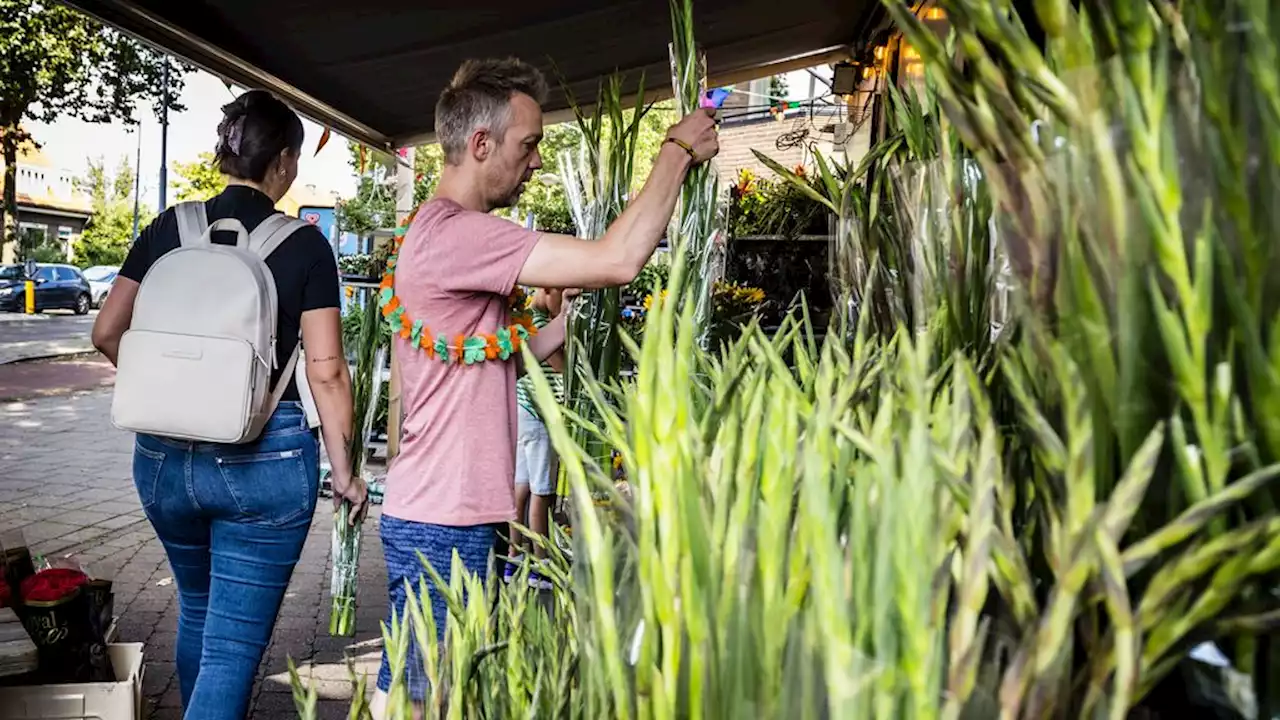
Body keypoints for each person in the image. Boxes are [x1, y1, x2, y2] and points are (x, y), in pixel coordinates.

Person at [376, 56, 717, 704]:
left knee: (425, 693)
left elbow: (508, 348)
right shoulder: (462, 235)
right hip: (443, 520)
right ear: (481, 145)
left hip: (447, 510)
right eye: (528, 145)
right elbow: (617, 258)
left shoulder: (435, 231)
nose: (535, 162)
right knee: (426, 701)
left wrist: (594, 328)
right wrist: (676, 151)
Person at [91, 90, 368, 720]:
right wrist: (345, 475)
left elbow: (107, 332)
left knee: (196, 607)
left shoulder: (169, 228)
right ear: (285, 162)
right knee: (232, 648)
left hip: (162, 463)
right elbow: (326, 371)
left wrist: (170, 394)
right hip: (261, 464)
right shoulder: (304, 245)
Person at [507, 287, 566, 590]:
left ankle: (513, 557)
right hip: (539, 415)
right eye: (563, 296)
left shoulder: (525, 318)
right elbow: (561, 366)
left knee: (521, 487)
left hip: (522, 410)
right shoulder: (542, 323)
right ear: (548, 291)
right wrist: (564, 320)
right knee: (542, 492)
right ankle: (541, 566)